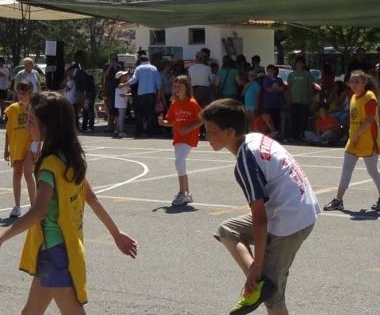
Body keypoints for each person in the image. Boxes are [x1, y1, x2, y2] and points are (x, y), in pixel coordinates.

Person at [0, 91, 138, 315]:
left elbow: (38, 211)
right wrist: (115, 233)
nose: (27, 126)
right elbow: (91, 197)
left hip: (55, 253)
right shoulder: (68, 157)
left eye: (31, 121)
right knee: (30, 313)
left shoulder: (50, 163)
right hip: (58, 249)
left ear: (48, 126)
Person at [200, 98, 319, 315]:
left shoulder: (245, 160)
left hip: (290, 222)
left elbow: (260, 218)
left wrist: (258, 263)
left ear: (229, 132)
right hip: (300, 208)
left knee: (273, 300)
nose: (206, 135)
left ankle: (261, 282)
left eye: (210, 130)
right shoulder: (253, 137)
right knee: (228, 230)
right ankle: (261, 281)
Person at [322, 70, 380, 212]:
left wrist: (357, 135)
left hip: (368, 140)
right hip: (354, 140)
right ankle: (338, 200)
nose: (353, 84)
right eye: (351, 82)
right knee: (346, 169)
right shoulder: (353, 97)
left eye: (357, 82)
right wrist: (352, 135)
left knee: (372, 171)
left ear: (364, 83)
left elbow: (369, 120)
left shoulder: (370, 97)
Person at [157, 76, 203, 207]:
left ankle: (182, 192)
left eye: (179, 87)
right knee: (181, 164)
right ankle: (187, 193)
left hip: (188, 138)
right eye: (175, 87)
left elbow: (202, 119)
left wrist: (189, 127)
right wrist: (162, 122)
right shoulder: (174, 103)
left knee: (179, 162)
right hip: (178, 138)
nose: (176, 89)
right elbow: (170, 121)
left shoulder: (192, 103)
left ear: (186, 88)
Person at [5, 81, 36, 218]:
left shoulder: (34, 108)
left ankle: (33, 205)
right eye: (19, 93)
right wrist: (6, 148)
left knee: (29, 174)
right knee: (17, 174)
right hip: (17, 146)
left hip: (30, 146)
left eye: (24, 93)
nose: (21, 95)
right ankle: (17, 206)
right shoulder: (12, 109)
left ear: (30, 93)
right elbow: (8, 130)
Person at [129, 53, 163, 137]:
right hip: (151, 94)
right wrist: (158, 94)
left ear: (140, 61)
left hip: (141, 94)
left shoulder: (139, 68)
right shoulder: (154, 68)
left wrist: (125, 84)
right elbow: (158, 83)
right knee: (150, 113)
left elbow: (133, 80)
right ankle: (149, 131)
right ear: (148, 60)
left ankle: (139, 131)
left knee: (139, 113)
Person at [286, 56, 316, 142]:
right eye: (297, 63)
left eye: (301, 63)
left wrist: (310, 100)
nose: (299, 65)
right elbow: (289, 88)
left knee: (302, 119)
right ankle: (293, 135)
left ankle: (301, 135)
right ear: (295, 64)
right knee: (293, 118)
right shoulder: (291, 75)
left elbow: (310, 88)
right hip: (293, 99)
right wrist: (288, 99)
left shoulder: (307, 74)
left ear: (303, 64)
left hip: (304, 100)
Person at [260, 65, 286, 137]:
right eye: (268, 70)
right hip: (268, 103)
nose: (270, 72)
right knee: (268, 120)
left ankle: (276, 134)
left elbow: (282, 89)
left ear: (274, 71)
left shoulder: (279, 80)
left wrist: (275, 89)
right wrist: (277, 89)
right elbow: (268, 90)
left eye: (271, 70)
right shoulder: (266, 80)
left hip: (277, 104)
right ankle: (269, 134)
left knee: (276, 119)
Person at [113, 71, 131, 138]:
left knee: (120, 117)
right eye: (124, 75)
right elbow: (122, 93)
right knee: (121, 118)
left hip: (122, 103)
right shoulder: (120, 84)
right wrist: (129, 94)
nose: (125, 76)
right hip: (121, 103)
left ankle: (117, 130)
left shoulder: (123, 84)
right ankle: (121, 131)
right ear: (120, 77)